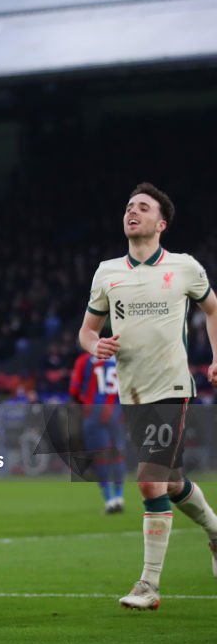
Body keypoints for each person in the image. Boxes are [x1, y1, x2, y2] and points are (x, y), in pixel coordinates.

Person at [78, 182, 217, 610]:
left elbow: (213, 308)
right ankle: (214, 531)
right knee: (170, 482)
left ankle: (148, 585)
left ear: (161, 223)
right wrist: (94, 346)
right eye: (128, 207)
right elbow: (87, 330)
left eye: (142, 207)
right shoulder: (107, 272)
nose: (132, 211)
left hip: (172, 386)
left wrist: (215, 357)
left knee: (148, 480)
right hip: (132, 391)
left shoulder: (185, 268)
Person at [69, 351, 126, 513]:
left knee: (99, 456)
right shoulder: (119, 359)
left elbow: (74, 390)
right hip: (117, 411)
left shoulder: (84, 360)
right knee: (117, 453)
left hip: (94, 413)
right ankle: (119, 497)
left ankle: (109, 500)